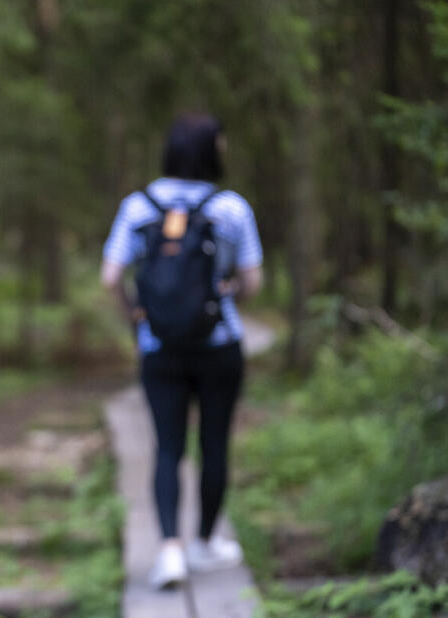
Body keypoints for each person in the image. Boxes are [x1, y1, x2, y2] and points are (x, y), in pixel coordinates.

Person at [101, 113, 263, 589]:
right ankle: (206, 542)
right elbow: (253, 282)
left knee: (167, 448)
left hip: (159, 347)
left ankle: (168, 550)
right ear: (211, 151)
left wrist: (136, 316)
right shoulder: (231, 208)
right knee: (214, 444)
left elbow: (111, 278)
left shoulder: (139, 205)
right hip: (220, 346)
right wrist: (227, 292)